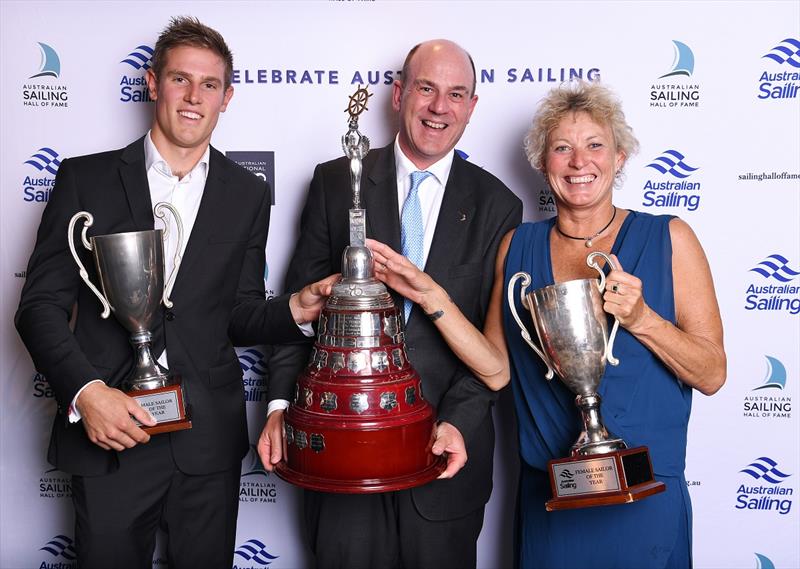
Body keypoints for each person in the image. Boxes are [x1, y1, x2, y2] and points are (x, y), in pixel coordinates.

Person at [15, 16, 333, 569]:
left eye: (209, 85)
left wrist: (294, 311)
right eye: (180, 79)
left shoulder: (248, 193)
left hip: (206, 439)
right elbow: (38, 307)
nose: (193, 97)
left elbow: (235, 313)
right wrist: (87, 393)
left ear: (227, 97)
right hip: (110, 430)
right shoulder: (83, 179)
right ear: (152, 83)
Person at [369, 80, 726, 568]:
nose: (580, 162)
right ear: (542, 164)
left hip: (646, 495)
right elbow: (495, 369)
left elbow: (711, 374)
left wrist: (643, 320)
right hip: (554, 498)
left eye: (595, 145)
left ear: (620, 157)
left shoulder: (670, 238)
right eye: (562, 148)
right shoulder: (517, 246)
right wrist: (433, 296)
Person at [258, 39, 522, 568]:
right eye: (426, 88)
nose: (438, 107)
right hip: (342, 450)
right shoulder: (337, 182)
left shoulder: (498, 204)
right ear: (399, 93)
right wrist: (280, 406)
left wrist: (459, 423)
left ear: (472, 107)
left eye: (456, 94)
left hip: (445, 457)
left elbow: (494, 348)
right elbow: (299, 310)